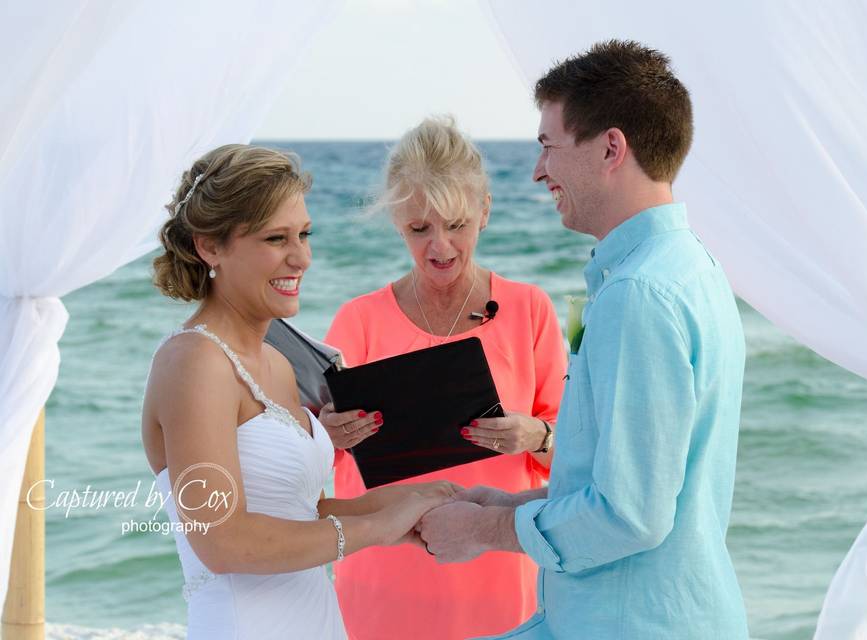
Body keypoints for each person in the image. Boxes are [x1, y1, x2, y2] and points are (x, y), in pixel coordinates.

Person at [419, 40, 750, 639]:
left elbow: (628, 516)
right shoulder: (688, 267)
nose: (538, 170)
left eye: (548, 146)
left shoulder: (638, 295)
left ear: (610, 148)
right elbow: (631, 487)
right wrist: (504, 505)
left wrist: (476, 533)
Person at [141, 144, 456, 639]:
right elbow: (223, 541)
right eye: (276, 238)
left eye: (304, 235)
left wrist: (407, 505)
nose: (301, 257)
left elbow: (297, 514)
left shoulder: (278, 364)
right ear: (209, 247)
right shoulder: (193, 362)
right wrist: (375, 528)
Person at [316, 117, 568, 640]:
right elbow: (317, 470)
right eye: (419, 228)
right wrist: (326, 435)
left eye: (456, 224)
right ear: (396, 224)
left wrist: (535, 435)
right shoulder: (357, 321)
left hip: (498, 578)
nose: (441, 247)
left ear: (485, 212)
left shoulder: (529, 311)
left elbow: (579, 462)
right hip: (380, 583)